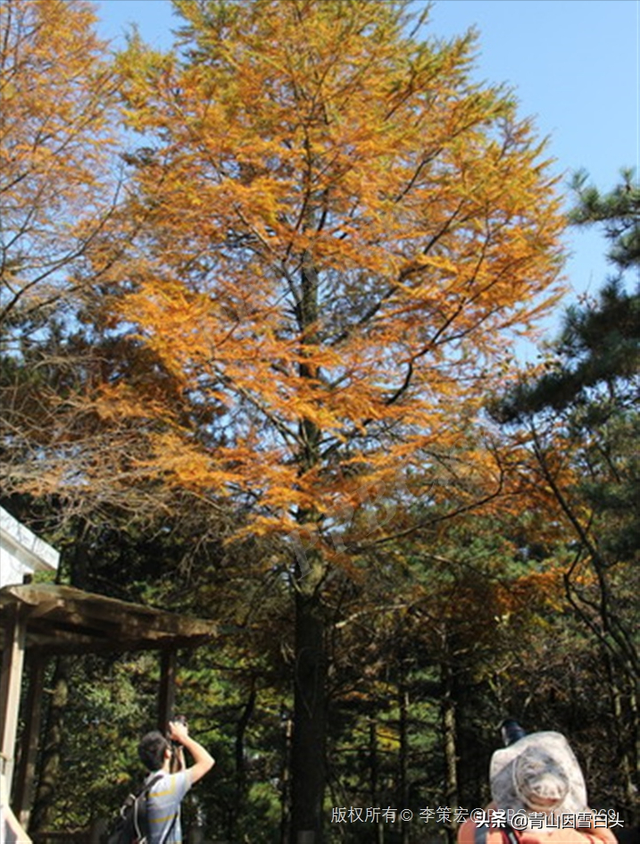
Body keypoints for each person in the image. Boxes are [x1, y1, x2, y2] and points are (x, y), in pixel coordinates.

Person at [457, 727, 617, 844]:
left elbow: (484, 818)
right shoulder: (574, 840)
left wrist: (507, 795)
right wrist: (577, 809)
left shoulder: (477, 834)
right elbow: (608, 838)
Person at [138, 720, 214, 844]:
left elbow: (179, 780)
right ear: (167, 754)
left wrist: (179, 751)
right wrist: (183, 737)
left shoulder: (146, 785)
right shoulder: (168, 786)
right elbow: (207, 761)